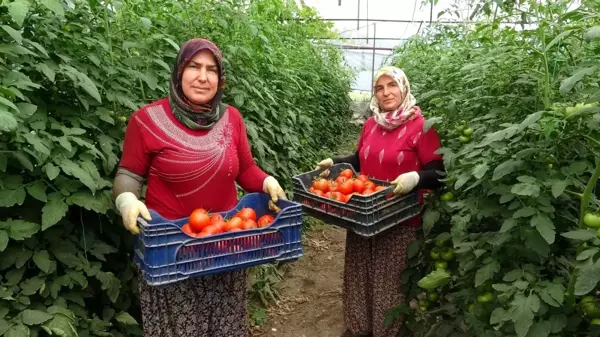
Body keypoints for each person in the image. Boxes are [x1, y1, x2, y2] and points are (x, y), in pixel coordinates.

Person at [112, 38, 286, 337]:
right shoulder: (146, 120)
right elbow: (129, 171)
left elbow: (245, 169)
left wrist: (267, 181)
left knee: (225, 324)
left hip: (226, 247)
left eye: (211, 69)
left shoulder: (232, 118)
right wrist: (126, 199)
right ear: (179, 71)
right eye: (194, 67)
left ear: (221, 79)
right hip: (171, 251)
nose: (203, 77)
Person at [317, 66, 445, 337]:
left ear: (404, 88)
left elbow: (439, 172)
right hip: (364, 211)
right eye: (379, 88)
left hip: (399, 218)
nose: (386, 93)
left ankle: (387, 331)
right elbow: (359, 160)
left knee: (390, 281)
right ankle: (358, 327)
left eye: (392, 86)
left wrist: (415, 177)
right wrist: (336, 162)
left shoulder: (421, 127)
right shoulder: (371, 124)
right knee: (359, 274)